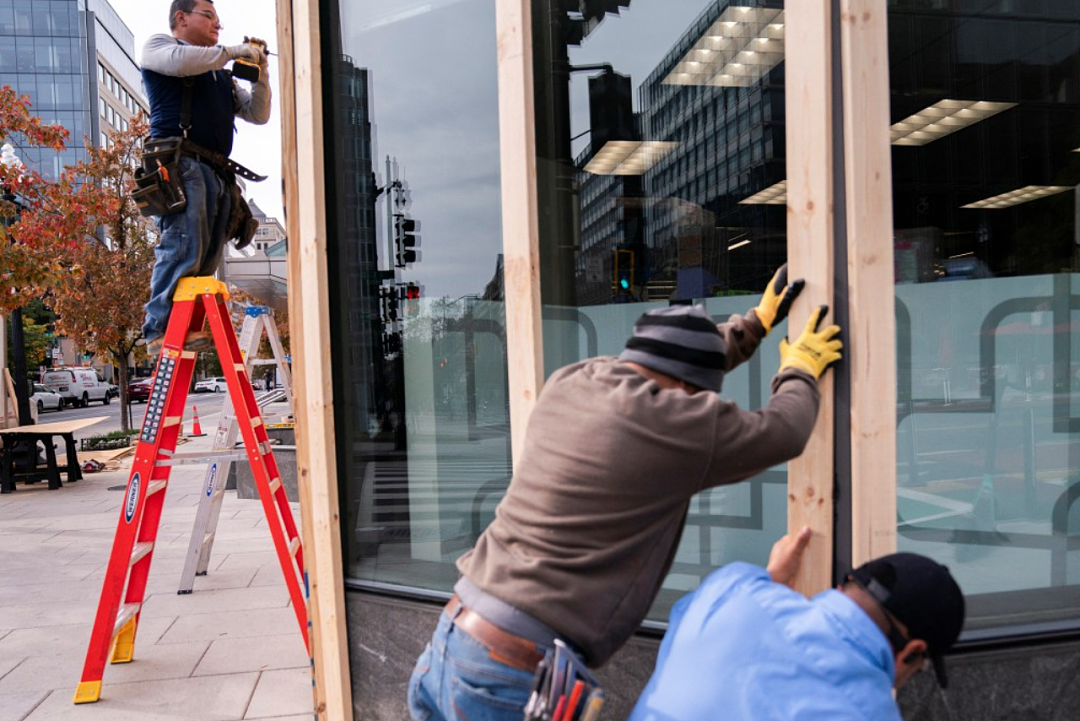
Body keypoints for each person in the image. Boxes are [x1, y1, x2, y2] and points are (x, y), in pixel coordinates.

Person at [407, 265, 844, 721]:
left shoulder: (575, 380)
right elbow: (786, 431)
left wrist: (752, 324)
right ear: (687, 390)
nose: (696, 404)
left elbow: (667, 363)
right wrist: (799, 370)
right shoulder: (673, 425)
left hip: (452, 638)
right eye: (697, 395)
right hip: (510, 679)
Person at [629, 530, 966, 721]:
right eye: (918, 668)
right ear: (913, 651)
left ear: (842, 589)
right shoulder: (866, 713)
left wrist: (770, 577)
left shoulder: (728, 591)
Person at [138, 0, 271, 356]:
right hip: (180, 163)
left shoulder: (219, 74)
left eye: (217, 19)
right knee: (182, 243)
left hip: (214, 170)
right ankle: (159, 329)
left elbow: (258, 114)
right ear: (181, 18)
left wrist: (262, 73)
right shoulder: (160, 48)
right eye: (209, 16)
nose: (218, 25)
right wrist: (232, 52)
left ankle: (187, 327)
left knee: (208, 255)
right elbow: (182, 63)